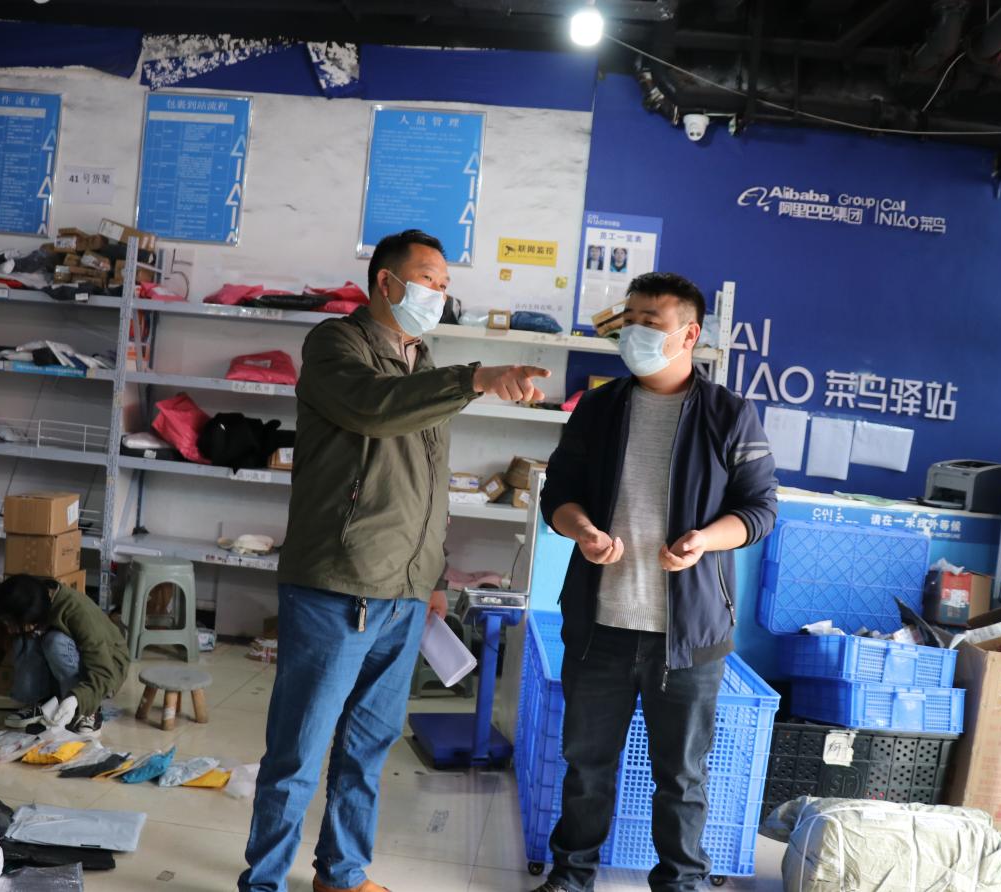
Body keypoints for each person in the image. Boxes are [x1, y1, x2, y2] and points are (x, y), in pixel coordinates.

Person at [241, 229, 551, 892]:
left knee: (368, 746)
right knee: (299, 749)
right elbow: (373, 409)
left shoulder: (424, 361)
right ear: (387, 282)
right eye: (429, 279)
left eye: (445, 283)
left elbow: (428, 485)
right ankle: (262, 882)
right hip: (337, 584)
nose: (440, 292)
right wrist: (475, 378)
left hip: (403, 594)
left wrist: (431, 576)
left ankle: (342, 875)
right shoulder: (336, 345)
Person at [534, 272, 778, 892]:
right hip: (600, 626)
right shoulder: (598, 408)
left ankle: (680, 882)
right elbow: (557, 494)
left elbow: (759, 510)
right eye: (630, 320)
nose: (635, 332)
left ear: (689, 335)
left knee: (682, 777)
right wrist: (583, 531)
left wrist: (704, 541)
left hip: (688, 636)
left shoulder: (729, 415)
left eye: (651, 322)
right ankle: (571, 875)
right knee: (586, 766)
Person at [0, 574, 128, 737]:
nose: (8, 629)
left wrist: (77, 700)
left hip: (105, 667)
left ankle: (88, 711)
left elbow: (103, 670)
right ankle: (43, 702)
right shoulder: (9, 609)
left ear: (37, 619)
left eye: (13, 625)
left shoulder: (75, 609)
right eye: (6, 623)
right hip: (63, 666)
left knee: (55, 642)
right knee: (23, 639)